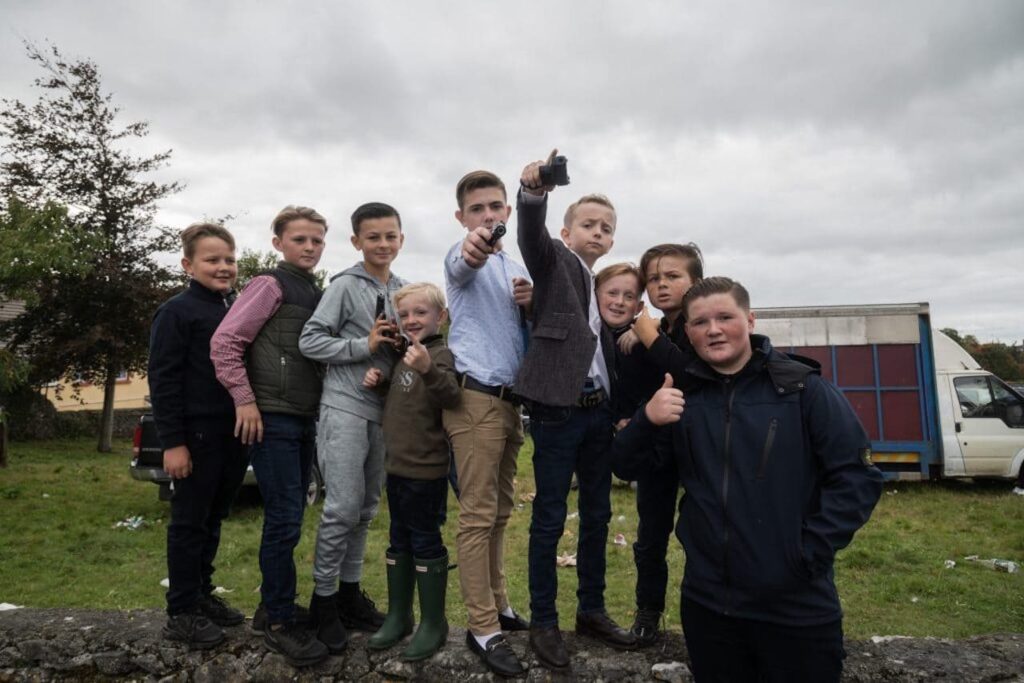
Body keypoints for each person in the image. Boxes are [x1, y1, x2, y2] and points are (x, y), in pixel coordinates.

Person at [614, 276, 884, 682]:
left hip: (796, 606)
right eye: (701, 322)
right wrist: (645, 421)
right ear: (688, 332)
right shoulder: (683, 398)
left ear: (751, 320)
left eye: (725, 317)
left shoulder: (802, 389)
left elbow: (856, 478)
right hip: (709, 608)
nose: (714, 329)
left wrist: (806, 554)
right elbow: (625, 466)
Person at [516, 151, 637, 672]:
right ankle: (544, 621)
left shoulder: (597, 282)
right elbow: (530, 236)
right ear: (567, 233)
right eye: (587, 224)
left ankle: (590, 610)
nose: (597, 232)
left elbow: (597, 344)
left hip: (597, 415)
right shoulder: (555, 263)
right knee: (548, 518)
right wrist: (534, 195)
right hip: (558, 413)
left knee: (597, 514)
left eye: (606, 227)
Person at [211, 206, 329, 667]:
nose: (310, 247)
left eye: (317, 240)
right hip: (271, 418)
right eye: (300, 239)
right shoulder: (269, 285)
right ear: (278, 242)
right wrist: (244, 399)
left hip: (302, 417)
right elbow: (225, 342)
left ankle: (270, 609)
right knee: (283, 517)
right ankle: (279, 620)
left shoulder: (311, 290)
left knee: (292, 513)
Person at [297, 202, 407, 652]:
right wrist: (364, 345)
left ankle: (349, 594)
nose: (383, 244)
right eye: (373, 237)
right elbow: (310, 340)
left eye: (390, 236)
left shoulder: (403, 290)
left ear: (401, 238)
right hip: (343, 406)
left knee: (365, 509)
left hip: (383, 411)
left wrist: (397, 348)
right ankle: (322, 602)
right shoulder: (343, 285)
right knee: (341, 508)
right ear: (357, 241)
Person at [443, 169, 533, 678]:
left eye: (496, 207)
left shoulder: (515, 266)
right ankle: (481, 628)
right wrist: (475, 245)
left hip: (510, 403)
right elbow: (463, 260)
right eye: (477, 209)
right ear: (462, 217)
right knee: (478, 516)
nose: (488, 216)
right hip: (475, 400)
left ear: (508, 210)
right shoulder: (464, 258)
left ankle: (500, 605)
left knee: (499, 512)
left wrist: (532, 302)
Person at [149, 222, 249, 649]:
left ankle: (203, 595)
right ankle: (182, 610)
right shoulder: (177, 312)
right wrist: (173, 442)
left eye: (228, 259)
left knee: (212, 519)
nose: (223, 267)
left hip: (232, 434)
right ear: (188, 264)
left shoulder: (235, 308)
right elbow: (164, 378)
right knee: (189, 522)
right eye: (212, 260)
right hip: (195, 435)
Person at [362, 283, 461, 661]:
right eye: (404, 315)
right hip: (397, 470)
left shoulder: (441, 354)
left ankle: (433, 624)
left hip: (426, 472)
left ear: (441, 316)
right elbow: (406, 400)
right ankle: (400, 617)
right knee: (398, 541)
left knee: (424, 541)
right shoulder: (404, 355)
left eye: (420, 313)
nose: (411, 320)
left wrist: (428, 369)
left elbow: (450, 396)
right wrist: (382, 385)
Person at [624, 244, 704, 646]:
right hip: (658, 447)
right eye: (654, 278)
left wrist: (648, 337)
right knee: (650, 536)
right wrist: (637, 341)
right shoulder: (653, 329)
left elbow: (689, 373)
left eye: (672, 276)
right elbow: (641, 383)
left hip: (699, 447)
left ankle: (705, 618)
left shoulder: (699, 323)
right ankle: (647, 612)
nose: (662, 284)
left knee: (703, 533)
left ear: (695, 282)